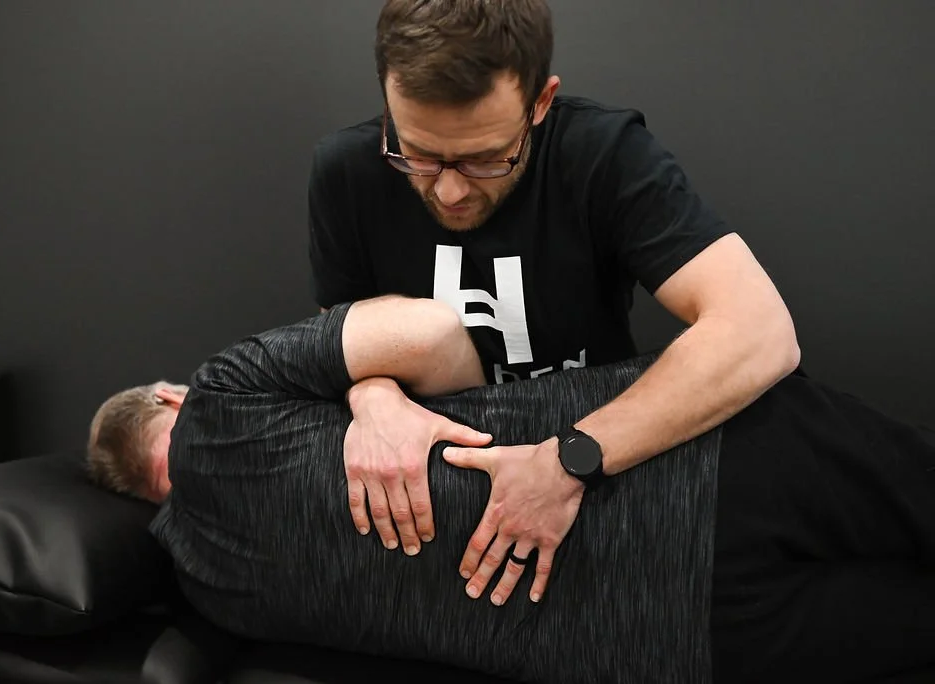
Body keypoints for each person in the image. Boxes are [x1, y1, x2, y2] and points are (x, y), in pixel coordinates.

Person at [87, 296, 935, 684]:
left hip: (682, 642)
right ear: (170, 397)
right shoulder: (223, 393)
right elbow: (442, 334)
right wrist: (374, 392)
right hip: (697, 456)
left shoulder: (209, 591)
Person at [307, 0, 803, 579]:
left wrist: (567, 462)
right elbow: (348, 338)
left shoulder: (603, 154)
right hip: (447, 509)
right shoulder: (344, 170)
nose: (447, 192)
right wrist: (373, 399)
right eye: (416, 155)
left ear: (540, 101)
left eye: (485, 160)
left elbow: (761, 331)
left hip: (601, 482)